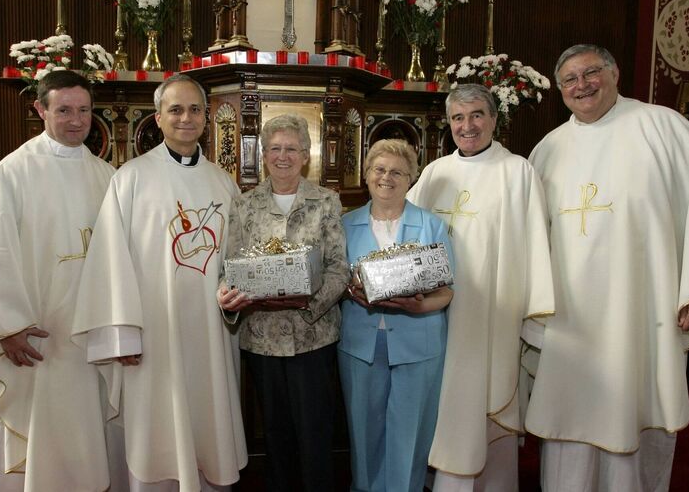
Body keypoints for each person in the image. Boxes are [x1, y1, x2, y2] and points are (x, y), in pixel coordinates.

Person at [526, 44, 689, 491]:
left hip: (643, 310)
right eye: (570, 79)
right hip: (570, 320)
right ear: (560, 90)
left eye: (591, 73)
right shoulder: (548, 150)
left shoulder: (663, 128)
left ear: (615, 72)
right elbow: (526, 237)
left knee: (637, 413)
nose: (581, 85)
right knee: (571, 420)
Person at [0, 70, 114, 491]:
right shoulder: (12, 172)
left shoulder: (105, 175)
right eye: (64, 110)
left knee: (85, 433)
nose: (76, 120)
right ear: (40, 109)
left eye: (84, 110)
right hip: (34, 338)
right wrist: (7, 327)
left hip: (86, 334)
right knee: (30, 435)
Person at [72, 74, 247, 492]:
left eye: (195, 110)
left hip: (210, 332)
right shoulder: (131, 178)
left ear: (207, 117)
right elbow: (109, 264)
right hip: (154, 334)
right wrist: (121, 336)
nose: (186, 118)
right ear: (158, 118)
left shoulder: (223, 181)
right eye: (176, 110)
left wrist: (236, 294)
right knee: (158, 431)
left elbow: (238, 258)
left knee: (208, 422)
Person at [407, 83, 555, 491]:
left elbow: (535, 245)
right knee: (444, 404)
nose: (467, 126)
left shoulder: (517, 171)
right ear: (448, 124)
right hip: (436, 316)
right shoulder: (435, 173)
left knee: (485, 403)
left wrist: (530, 310)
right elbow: (406, 236)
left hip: (490, 314)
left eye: (476, 116)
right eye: (458, 118)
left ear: (493, 119)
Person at [217, 113, 349, 492]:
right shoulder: (243, 206)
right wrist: (229, 295)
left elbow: (339, 268)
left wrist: (306, 303)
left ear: (306, 155)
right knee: (274, 436)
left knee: (315, 435)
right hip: (262, 339)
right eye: (274, 148)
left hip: (315, 338)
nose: (282, 156)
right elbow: (233, 266)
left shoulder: (326, 202)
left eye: (291, 148)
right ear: (263, 154)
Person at [338, 138, 454, 492]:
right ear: (367, 173)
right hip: (361, 343)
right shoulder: (344, 224)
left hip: (417, 343)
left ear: (411, 179)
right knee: (364, 430)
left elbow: (447, 290)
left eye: (397, 172)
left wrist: (421, 305)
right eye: (379, 169)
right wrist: (348, 290)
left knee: (410, 432)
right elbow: (334, 279)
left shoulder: (431, 226)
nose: (386, 177)